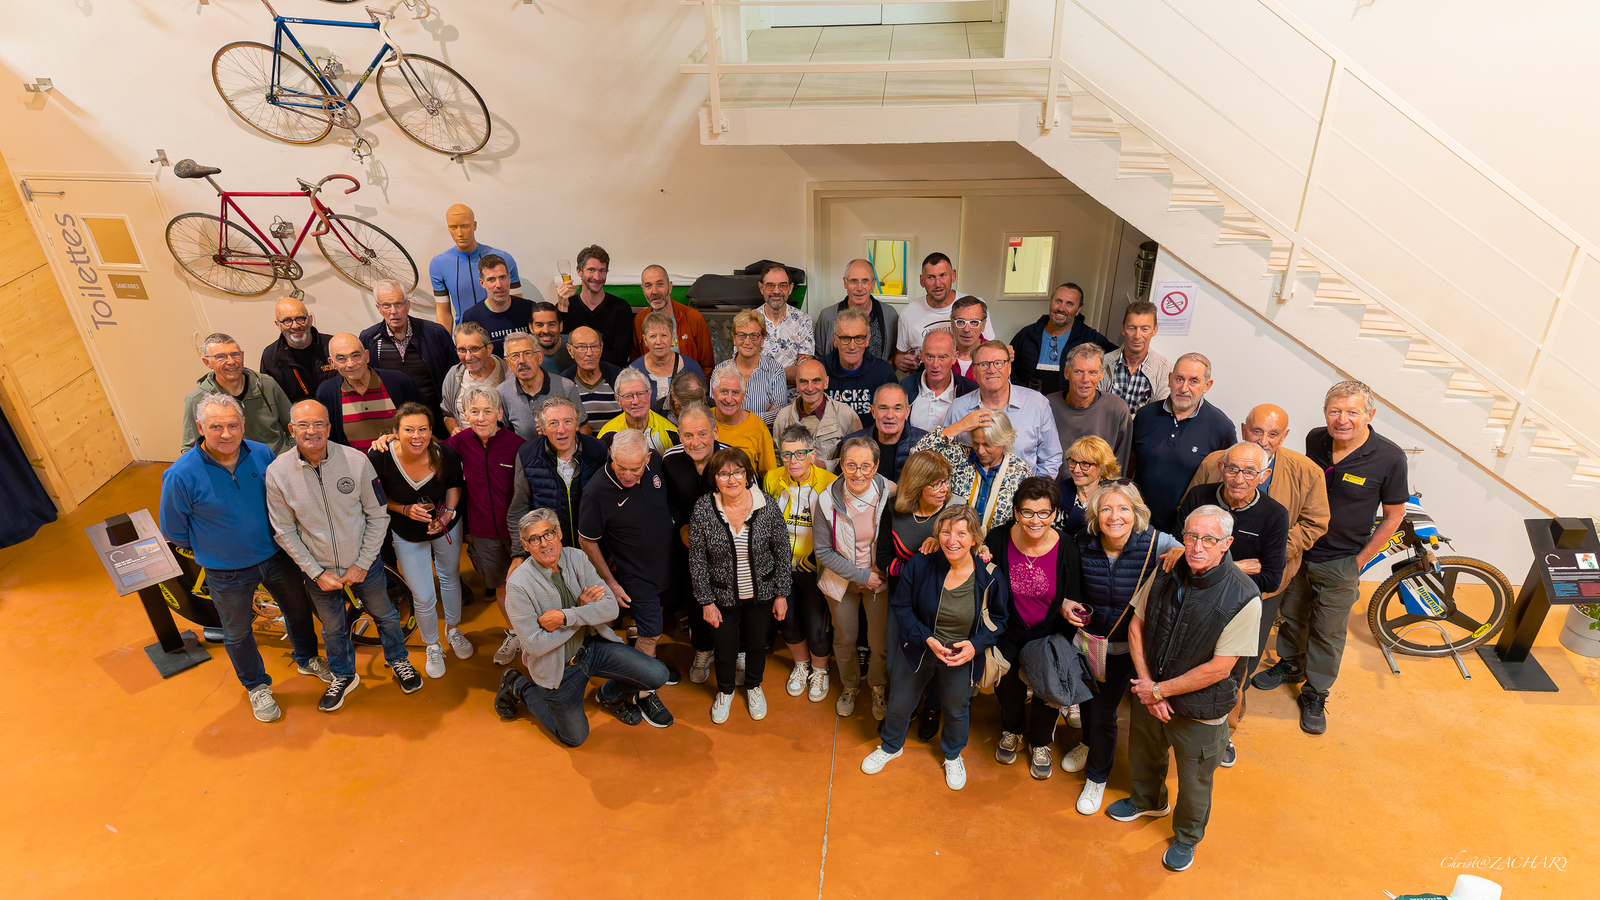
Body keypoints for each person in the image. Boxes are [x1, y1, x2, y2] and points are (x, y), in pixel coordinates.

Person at [159, 394, 342, 724]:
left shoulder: (261, 453)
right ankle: (256, 685)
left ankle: (307, 658)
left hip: (276, 555)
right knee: (238, 632)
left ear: (243, 425)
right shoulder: (180, 475)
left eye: (233, 425)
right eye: (216, 426)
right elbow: (173, 530)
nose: (226, 434)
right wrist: (215, 548)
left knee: (299, 610)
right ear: (200, 427)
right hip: (226, 571)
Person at [1253, 381, 1406, 737]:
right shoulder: (1316, 439)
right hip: (1302, 549)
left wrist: (1361, 560)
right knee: (1293, 615)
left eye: (1352, 412)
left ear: (1369, 415)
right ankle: (1291, 664)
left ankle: (1316, 692)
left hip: (1342, 559)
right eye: (1335, 411)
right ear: (1325, 413)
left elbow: (1394, 515)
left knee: (1328, 630)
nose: (1342, 419)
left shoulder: (1389, 457)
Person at [1113, 505, 1261, 874]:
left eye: (1209, 539)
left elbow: (1220, 668)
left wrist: (1159, 691)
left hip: (1200, 706)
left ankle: (1187, 836)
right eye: (1191, 536)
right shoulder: (1166, 570)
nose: (1196, 546)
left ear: (1226, 544)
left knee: (1195, 779)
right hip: (1151, 689)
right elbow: (1136, 626)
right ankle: (1147, 800)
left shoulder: (1244, 596)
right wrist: (1147, 685)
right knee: (1145, 752)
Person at [265, 400, 416, 712]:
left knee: (386, 615)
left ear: (329, 427)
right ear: (292, 430)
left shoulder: (356, 461)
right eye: (303, 425)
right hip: (319, 572)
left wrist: (362, 563)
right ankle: (344, 675)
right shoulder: (277, 472)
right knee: (332, 628)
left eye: (318, 423)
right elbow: (284, 531)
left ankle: (398, 660)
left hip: (364, 565)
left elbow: (378, 515)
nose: (312, 431)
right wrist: (315, 572)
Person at [861, 504, 1009, 791]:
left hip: (959, 655)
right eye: (946, 532)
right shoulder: (920, 564)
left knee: (956, 708)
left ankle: (952, 755)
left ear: (975, 538)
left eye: (961, 534)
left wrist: (974, 646)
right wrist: (927, 638)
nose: (952, 540)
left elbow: (999, 620)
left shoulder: (989, 575)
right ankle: (890, 746)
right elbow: (902, 606)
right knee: (900, 702)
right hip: (920, 647)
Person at [495, 510, 674, 741]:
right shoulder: (518, 585)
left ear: (559, 533)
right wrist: (583, 613)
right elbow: (535, 645)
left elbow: (610, 608)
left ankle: (609, 696)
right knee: (574, 737)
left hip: (593, 648)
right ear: (525, 545)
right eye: (534, 539)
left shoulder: (577, 557)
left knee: (657, 674)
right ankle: (518, 684)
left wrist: (565, 617)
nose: (544, 543)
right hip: (559, 668)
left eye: (548, 534)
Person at [1187, 404, 1330, 687]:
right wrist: (1220, 561)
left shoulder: (1307, 472)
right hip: (1204, 575)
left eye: (1273, 434)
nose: (1263, 440)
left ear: (1284, 436)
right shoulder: (1215, 463)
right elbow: (1190, 513)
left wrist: (1272, 552)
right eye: (1256, 431)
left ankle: (1235, 696)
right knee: (1200, 642)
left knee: (1245, 649)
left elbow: (1315, 523)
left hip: (1263, 578)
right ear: (1243, 430)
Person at [1066, 481, 1179, 816]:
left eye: (1123, 509)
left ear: (1137, 513)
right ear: (1095, 515)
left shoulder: (1157, 543)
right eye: (1106, 509)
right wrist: (1065, 604)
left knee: (1104, 710)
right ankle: (1088, 744)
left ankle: (1096, 777)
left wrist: (1183, 551)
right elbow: (1066, 583)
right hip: (1090, 642)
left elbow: (1205, 555)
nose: (1114, 517)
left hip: (1133, 646)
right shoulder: (1082, 542)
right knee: (1088, 700)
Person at [986, 477, 1084, 779]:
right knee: (1008, 688)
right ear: (1016, 511)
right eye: (1027, 512)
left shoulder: (1067, 547)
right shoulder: (998, 539)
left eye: (1044, 513)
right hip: (1007, 629)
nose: (1035, 520)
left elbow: (1073, 596)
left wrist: (1062, 644)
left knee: (1048, 692)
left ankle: (1040, 742)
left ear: (1054, 514)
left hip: (1049, 632)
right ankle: (1012, 730)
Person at [688, 447, 793, 723]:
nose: (731, 479)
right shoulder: (703, 508)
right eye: (724, 474)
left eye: (738, 472)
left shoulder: (767, 505)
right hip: (721, 596)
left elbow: (783, 551)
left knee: (757, 644)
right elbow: (697, 558)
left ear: (748, 475)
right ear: (715, 478)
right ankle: (725, 691)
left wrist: (781, 594)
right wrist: (706, 601)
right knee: (724, 648)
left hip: (762, 593)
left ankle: (754, 686)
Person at [370, 403, 468, 680]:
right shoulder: (380, 456)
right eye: (409, 429)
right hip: (405, 532)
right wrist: (403, 509)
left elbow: (454, 485)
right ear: (395, 432)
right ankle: (432, 645)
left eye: (422, 429)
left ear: (431, 431)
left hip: (445, 526)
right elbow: (374, 495)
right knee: (422, 595)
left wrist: (448, 514)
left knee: (450, 577)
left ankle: (453, 630)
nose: (417, 436)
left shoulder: (445, 453)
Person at [578, 430, 677, 677]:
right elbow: (586, 540)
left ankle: (647, 670)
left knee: (662, 625)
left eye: (636, 469)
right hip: (637, 576)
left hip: (669, 565)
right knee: (650, 634)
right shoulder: (595, 492)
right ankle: (643, 686)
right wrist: (610, 583)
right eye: (621, 467)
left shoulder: (656, 463)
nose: (628, 475)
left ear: (648, 458)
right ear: (612, 454)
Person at [442, 385, 527, 667]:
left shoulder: (517, 445)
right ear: (465, 415)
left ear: (500, 414)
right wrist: (391, 438)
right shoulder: (460, 442)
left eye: (488, 411)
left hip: (517, 532)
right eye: (474, 411)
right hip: (482, 533)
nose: (481, 418)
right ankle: (515, 635)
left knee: (528, 587)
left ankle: (536, 637)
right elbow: (427, 450)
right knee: (501, 586)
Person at [813, 437, 897, 720]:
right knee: (844, 638)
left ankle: (877, 686)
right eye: (851, 465)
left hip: (879, 581)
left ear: (876, 466)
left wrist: (877, 572)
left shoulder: (890, 492)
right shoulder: (826, 499)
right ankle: (849, 686)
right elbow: (823, 551)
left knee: (879, 642)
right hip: (841, 581)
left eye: (865, 466)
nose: (858, 473)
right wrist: (861, 575)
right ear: (840, 465)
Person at [875, 449, 953, 742]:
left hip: (942, 605)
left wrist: (942, 540)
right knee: (898, 661)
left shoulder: (955, 511)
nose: (944, 489)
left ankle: (932, 709)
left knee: (937, 661)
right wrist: (914, 571)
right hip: (902, 601)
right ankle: (902, 710)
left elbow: (967, 558)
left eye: (946, 481)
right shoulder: (894, 510)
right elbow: (883, 559)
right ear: (918, 484)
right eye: (936, 483)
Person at [764, 426, 838, 703]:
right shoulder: (772, 478)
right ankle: (801, 665)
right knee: (788, 620)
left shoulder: (831, 482)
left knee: (817, 625)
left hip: (815, 569)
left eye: (799, 454)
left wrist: (819, 559)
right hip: (782, 568)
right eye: (786, 455)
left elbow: (839, 529)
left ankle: (820, 670)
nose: (792, 461)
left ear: (813, 454)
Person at [1130, 352, 1234, 533]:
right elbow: (1130, 464)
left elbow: (1227, 483)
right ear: (1169, 379)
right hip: (1137, 522)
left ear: (1207, 385)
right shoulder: (1146, 415)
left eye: (1194, 381)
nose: (1184, 388)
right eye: (1179, 379)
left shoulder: (1221, 428)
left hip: (1186, 531)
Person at [662, 403, 728, 684]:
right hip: (688, 544)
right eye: (688, 435)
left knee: (730, 599)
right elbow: (667, 502)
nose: (696, 442)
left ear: (715, 431)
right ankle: (702, 649)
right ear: (679, 435)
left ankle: (735, 651)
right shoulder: (669, 460)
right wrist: (682, 527)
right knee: (694, 598)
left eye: (702, 434)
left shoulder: (732, 458)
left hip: (727, 545)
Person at [1176, 443, 1288, 598]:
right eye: (1232, 469)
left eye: (1250, 472)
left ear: (1264, 476)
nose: (1239, 479)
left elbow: (1270, 581)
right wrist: (1236, 567)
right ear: (1221, 468)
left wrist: (1202, 566)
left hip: (1236, 598)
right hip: (1188, 590)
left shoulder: (1275, 515)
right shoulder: (1198, 496)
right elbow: (1175, 552)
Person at [942, 341, 1061, 478]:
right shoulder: (958, 408)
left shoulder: (1037, 404)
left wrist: (1034, 490)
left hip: (1024, 489)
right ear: (973, 371)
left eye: (998, 363)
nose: (992, 370)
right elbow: (942, 458)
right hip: (970, 490)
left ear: (1009, 367)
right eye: (984, 364)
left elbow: (1051, 459)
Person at [506, 396, 609, 552]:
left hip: (595, 548)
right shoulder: (527, 454)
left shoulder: (599, 450)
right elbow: (520, 508)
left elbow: (613, 503)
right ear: (542, 429)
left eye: (568, 421)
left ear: (576, 424)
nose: (561, 430)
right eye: (553, 423)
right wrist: (519, 553)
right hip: (550, 550)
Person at [914, 408, 1032, 531]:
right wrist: (961, 426)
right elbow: (917, 455)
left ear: (1004, 441)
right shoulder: (959, 455)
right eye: (976, 443)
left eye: (987, 445)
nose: (980, 451)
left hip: (997, 541)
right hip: (953, 538)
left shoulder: (1020, 471)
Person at [181, 333, 293, 454]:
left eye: (235, 354)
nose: (231, 361)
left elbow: (294, 426)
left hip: (279, 458)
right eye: (220, 357)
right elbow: (190, 448)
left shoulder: (267, 384)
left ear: (242, 356)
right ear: (207, 362)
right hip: (235, 463)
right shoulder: (197, 399)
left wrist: (294, 455)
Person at [360, 280, 456, 421]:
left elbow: (455, 374)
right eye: (386, 305)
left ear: (407, 305)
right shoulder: (369, 339)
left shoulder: (435, 333)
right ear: (378, 308)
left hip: (436, 419)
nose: (393, 311)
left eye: (398, 304)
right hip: (393, 422)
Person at [315, 332, 422, 451]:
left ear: (366, 356)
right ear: (332, 363)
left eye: (356, 355)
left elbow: (424, 421)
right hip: (356, 463)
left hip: (403, 458)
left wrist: (399, 437)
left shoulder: (398, 382)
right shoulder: (327, 393)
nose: (350, 364)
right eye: (341, 359)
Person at [1010, 281, 1116, 395]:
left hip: (1068, 404)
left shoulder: (1089, 337)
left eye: (1069, 304)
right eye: (1058, 301)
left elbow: (1118, 357)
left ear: (1079, 309)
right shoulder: (1027, 334)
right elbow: (1009, 367)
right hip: (1029, 401)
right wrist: (1022, 394)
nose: (1061, 308)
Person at [894, 252, 992, 374]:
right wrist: (905, 363)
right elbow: (899, 356)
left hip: (972, 378)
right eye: (931, 277)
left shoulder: (975, 306)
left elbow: (990, 347)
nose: (938, 284)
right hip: (926, 379)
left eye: (943, 275)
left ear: (953, 276)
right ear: (922, 281)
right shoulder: (908, 313)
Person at [430, 203, 520, 326]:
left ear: (474, 225)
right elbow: (443, 311)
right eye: (453, 227)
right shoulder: (438, 264)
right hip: (465, 334)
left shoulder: (504, 259)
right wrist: (444, 339)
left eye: (464, 226)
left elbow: (517, 305)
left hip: (500, 332)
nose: (460, 233)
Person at [1048, 343, 1133, 471]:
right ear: (1066, 373)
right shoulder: (1047, 406)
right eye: (1078, 372)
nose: (1085, 379)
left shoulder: (1117, 410)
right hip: (1053, 483)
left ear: (1101, 374)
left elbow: (1119, 468)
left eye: (1093, 372)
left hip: (1101, 484)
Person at [770, 358, 861, 470]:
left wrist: (825, 465)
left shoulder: (847, 415)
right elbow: (778, 460)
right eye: (803, 381)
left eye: (816, 381)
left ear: (826, 383)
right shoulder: (783, 417)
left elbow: (858, 458)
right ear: (797, 384)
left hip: (832, 480)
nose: (810, 388)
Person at [498, 332, 588, 441]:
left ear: (540, 357)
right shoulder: (502, 393)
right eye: (515, 356)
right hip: (523, 451)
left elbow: (583, 428)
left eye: (527, 353)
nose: (522, 360)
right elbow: (503, 437)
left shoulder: (566, 387)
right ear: (507, 363)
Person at [555, 244, 634, 366]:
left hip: (610, 373)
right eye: (591, 270)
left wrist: (583, 357)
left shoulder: (620, 308)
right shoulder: (566, 307)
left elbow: (620, 357)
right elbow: (563, 354)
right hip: (574, 373)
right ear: (579, 271)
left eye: (602, 271)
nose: (597, 277)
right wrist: (563, 309)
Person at [813, 258, 900, 363]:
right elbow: (819, 359)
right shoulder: (827, 316)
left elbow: (894, 355)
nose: (859, 288)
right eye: (854, 281)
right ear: (845, 283)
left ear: (873, 283)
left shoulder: (890, 315)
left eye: (865, 281)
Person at [821, 307, 897, 420]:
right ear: (835, 340)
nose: (852, 346)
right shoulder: (820, 371)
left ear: (867, 339)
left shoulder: (884, 372)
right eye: (845, 338)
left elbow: (895, 415)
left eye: (859, 338)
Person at [633, 265, 714, 372]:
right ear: (643, 290)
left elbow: (707, 366)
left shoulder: (693, 317)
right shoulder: (640, 319)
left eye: (660, 284)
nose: (655, 291)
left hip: (689, 381)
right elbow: (636, 366)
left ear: (670, 287)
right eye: (648, 286)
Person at [844, 382, 926, 481]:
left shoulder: (925, 444)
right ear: (873, 412)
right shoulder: (850, 444)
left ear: (907, 412)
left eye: (897, 409)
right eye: (883, 408)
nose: (890, 415)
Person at [1099, 299, 1169, 414]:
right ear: (1123, 329)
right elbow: (1093, 407)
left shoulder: (1164, 370)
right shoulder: (1104, 363)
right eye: (1131, 328)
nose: (1137, 336)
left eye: (1145, 329)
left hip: (1144, 426)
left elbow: (1159, 416)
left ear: (1155, 330)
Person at [259, 296, 334, 403]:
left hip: (337, 411)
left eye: (300, 319)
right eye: (287, 321)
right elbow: (270, 399)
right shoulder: (271, 356)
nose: (295, 326)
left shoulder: (333, 345)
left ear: (310, 319)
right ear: (278, 325)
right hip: (297, 413)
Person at [439, 321, 509, 434]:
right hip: (465, 442)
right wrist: (454, 429)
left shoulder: (508, 375)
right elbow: (448, 414)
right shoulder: (454, 375)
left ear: (489, 349)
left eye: (475, 349)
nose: (468, 357)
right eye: (462, 350)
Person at [722, 309, 789, 426]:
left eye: (754, 336)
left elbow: (779, 414)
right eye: (741, 336)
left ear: (762, 339)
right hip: (727, 435)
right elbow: (717, 412)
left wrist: (737, 417)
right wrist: (764, 415)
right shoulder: (720, 371)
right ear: (734, 339)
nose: (747, 342)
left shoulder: (775, 371)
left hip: (762, 434)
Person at [709, 363, 777, 477]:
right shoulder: (703, 420)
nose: (729, 399)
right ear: (714, 392)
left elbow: (770, 476)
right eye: (724, 391)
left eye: (735, 393)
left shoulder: (757, 427)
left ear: (743, 395)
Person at [901, 329, 977, 433]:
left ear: (954, 357)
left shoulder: (970, 392)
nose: (935, 364)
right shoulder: (905, 387)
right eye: (930, 357)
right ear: (922, 356)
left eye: (943, 357)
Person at [754, 261, 814, 389]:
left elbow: (805, 371)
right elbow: (743, 368)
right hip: (758, 394)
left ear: (790, 288)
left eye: (782, 286)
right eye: (770, 286)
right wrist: (789, 373)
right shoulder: (750, 321)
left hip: (793, 397)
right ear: (761, 288)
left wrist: (764, 375)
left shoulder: (803, 321)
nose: (776, 291)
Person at [460, 253, 534, 356]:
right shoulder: (472, 317)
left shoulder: (528, 309)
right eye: (491, 279)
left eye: (502, 277)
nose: (499, 285)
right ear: (482, 283)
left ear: (509, 278)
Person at [631, 310, 706, 406]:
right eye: (653, 336)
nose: (659, 341)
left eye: (664, 335)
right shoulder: (634, 371)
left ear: (672, 337)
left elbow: (702, 403)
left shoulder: (691, 367)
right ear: (645, 340)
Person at [598, 367, 679, 454]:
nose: (636, 401)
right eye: (628, 396)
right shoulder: (607, 435)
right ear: (618, 400)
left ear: (649, 393)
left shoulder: (671, 433)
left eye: (641, 394)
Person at [563, 326, 623, 425]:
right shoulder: (563, 384)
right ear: (570, 350)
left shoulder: (619, 377)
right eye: (582, 347)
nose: (589, 353)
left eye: (594, 346)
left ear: (601, 348)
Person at [1061, 436, 1119, 535]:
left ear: (1102, 468)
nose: (1076, 470)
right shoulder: (1060, 492)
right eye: (1073, 462)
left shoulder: (1114, 494)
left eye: (1085, 464)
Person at [947, 295, 991, 380]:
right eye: (960, 322)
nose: (966, 329)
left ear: (983, 325)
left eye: (974, 322)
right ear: (952, 324)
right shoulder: (940, 353)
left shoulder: (994, 355)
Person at [531, 301, 574, 375]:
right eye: (539, 325)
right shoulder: (524, 354)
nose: (546, 331)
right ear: (531, 328)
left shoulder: (576, 345)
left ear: (560, 326)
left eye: (551, 324)